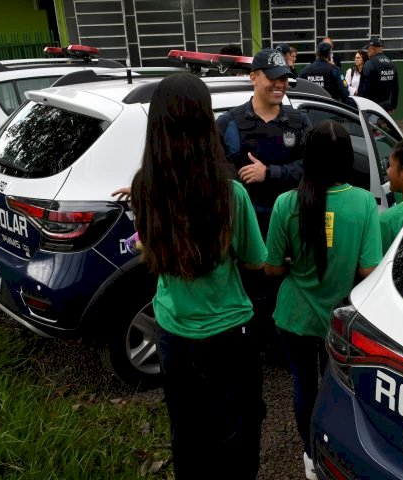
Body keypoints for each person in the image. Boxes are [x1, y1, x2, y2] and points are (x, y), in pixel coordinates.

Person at [129, 73, 268, 479]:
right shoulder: (230, 194)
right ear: (207, 122)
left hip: (172, 332)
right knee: (238, 431)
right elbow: (255, 260)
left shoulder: (144, 188)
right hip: (230, 335)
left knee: (188, 430)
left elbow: (148, 247)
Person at [264, 120, 382, 480]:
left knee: (303, 386)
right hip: (339, 321)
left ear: (308, 158)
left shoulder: (286, 203)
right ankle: (333, 451)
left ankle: (310, 454)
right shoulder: (363, 202)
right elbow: (368, 271)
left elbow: (270, 268)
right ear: (348, 159)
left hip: (294, 316)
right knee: (337, 389)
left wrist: (288, 265)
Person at [217, 47, 312, 235]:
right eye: (272, 77)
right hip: (245, 230)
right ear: (253, 78)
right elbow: (216, 176)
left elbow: (311, 169)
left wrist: (269, 173)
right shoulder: (228, 123)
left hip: (290, 227)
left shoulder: (299, 122)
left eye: (283, 78)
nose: (279, 84)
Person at [358, 36, 399, 113]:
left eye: (368, 49)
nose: (367, 52)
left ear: (372, 49)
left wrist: (361, 106)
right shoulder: (391, 64)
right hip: (386, 108)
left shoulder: (369, 64)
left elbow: (363, 89)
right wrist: (393, 106)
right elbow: (395, 88)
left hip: (372, 107)